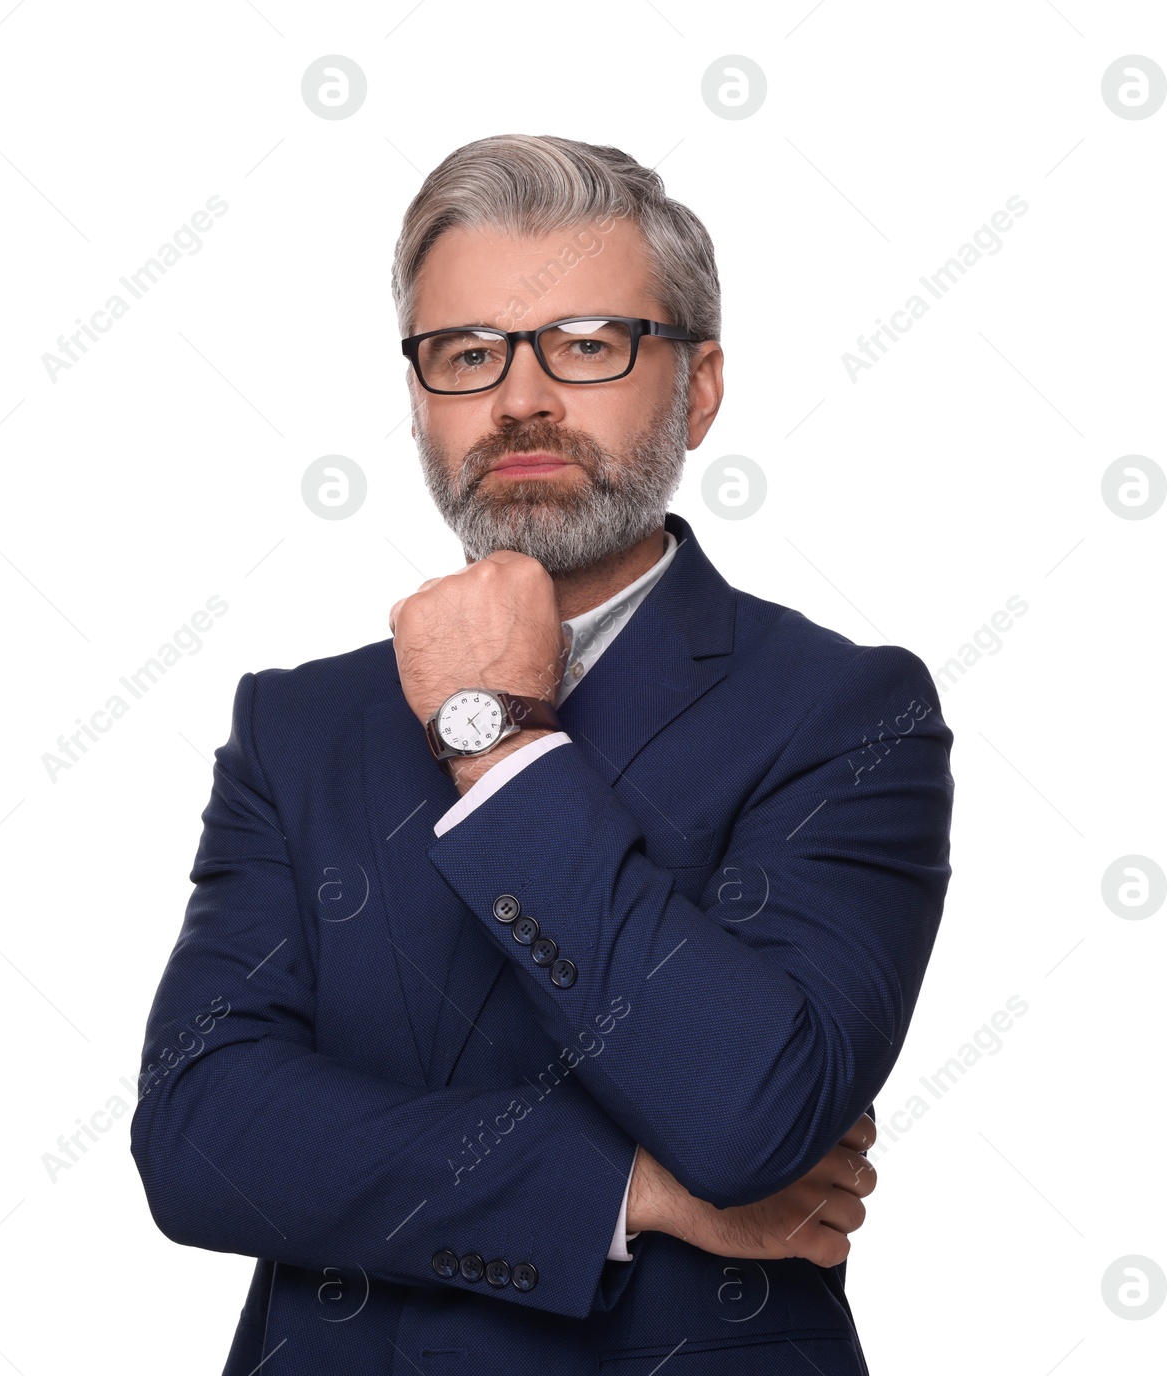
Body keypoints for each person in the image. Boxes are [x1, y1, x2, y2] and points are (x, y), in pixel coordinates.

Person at [130, 133, 954, 1375]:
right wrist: (622, 1186)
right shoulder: (296, 726)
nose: (520, 398)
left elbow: (752, 1113)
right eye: (467, 354)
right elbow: (200, 1137)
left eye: (585, 343)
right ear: (420, 397)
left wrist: (500, 746)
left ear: (701, 384)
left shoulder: (844, 710)